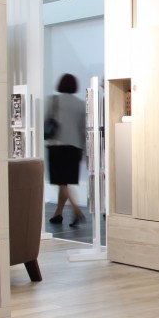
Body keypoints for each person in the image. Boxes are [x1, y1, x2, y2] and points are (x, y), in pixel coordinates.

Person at [45, 74, 87, 227]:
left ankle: (77, 210)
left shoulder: (54, 101)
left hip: (57, 146)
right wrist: (84, 150)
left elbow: (46, 120)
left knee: (61, 182)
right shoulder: (81, 104)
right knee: (64, 182)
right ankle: (58, 213)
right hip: (74, 148)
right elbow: (83, 129)